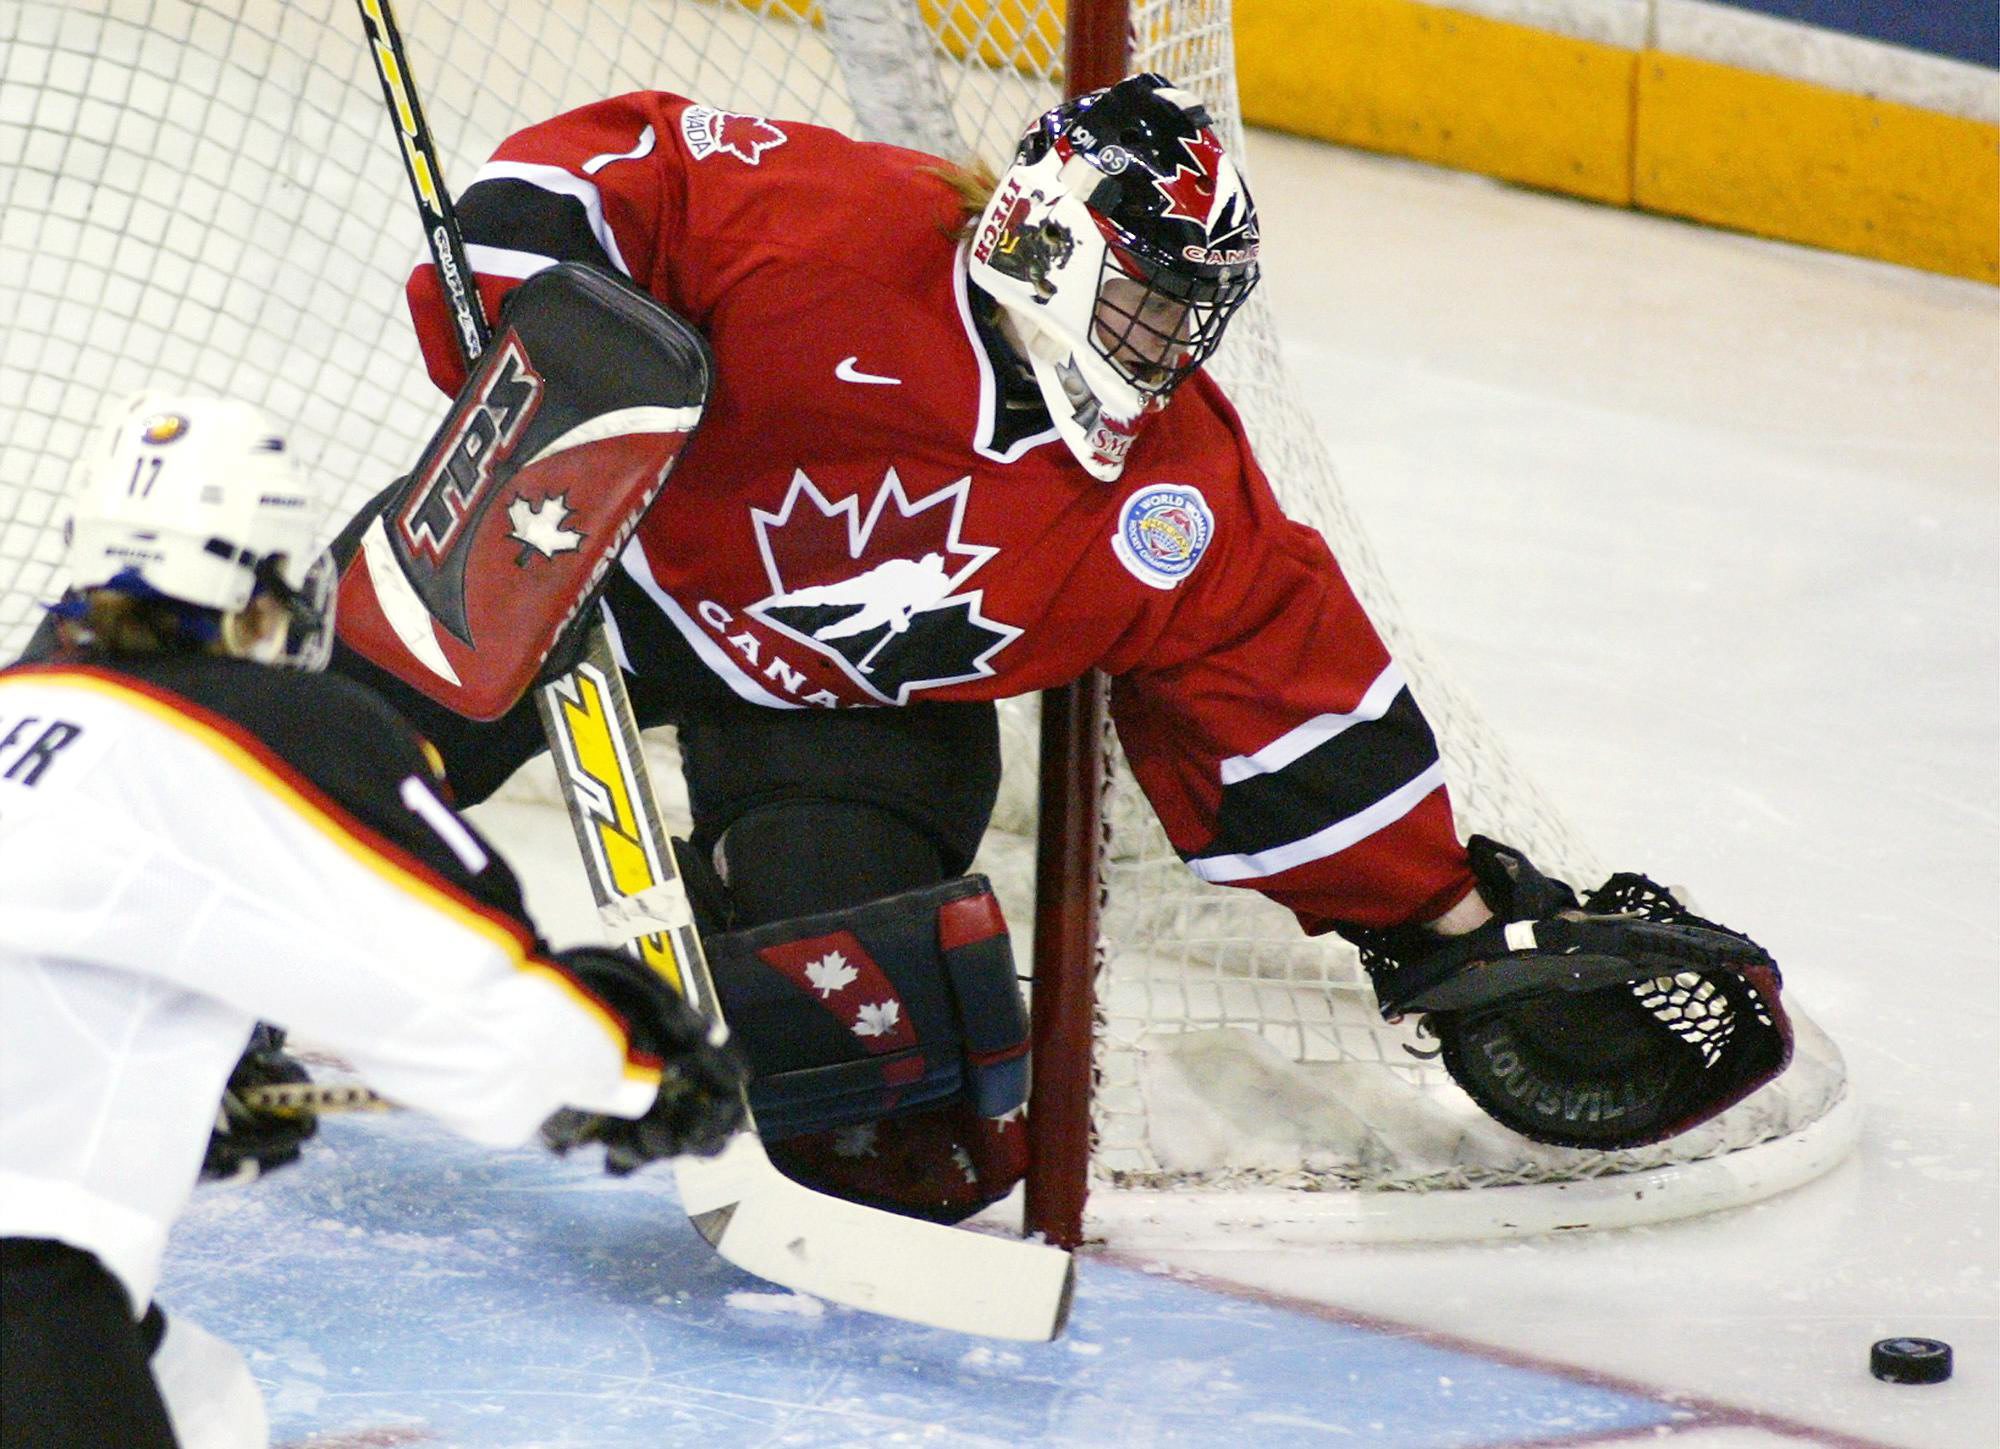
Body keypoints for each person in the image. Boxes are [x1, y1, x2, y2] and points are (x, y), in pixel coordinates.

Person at [330, 74, 1791, 1217]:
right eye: (1148, 296)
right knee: (303, 766)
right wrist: (540, 324)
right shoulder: (824, 227)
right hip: (578, 549)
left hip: (855, 704)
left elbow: (1277, 680)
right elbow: (604, 164)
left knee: (891, 1094)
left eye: (1189, 313)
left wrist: (1439, 921)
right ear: (1046, 236)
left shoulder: (1172, 492)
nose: (1167, 344)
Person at [0, 394, 746, 1449]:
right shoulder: (271, 731)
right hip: (25, 1285)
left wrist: (178, 1090)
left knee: (197, 1399)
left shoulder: (20, 707)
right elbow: (461, 991)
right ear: (261, 586)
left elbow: (67, 965)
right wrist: (628, 1071)